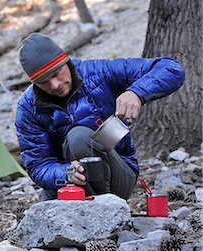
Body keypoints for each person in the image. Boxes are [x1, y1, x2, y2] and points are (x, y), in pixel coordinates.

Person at [15, 33, 185, 201]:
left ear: (65, 61)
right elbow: (38, 166)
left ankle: (103, 209)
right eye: (43, 82)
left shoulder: (99, 73)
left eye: (56, 73)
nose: (55, 85)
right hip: (69, 185)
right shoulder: (28, 108)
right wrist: (65, 173)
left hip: (119, 176)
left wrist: (136, 92)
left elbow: (171, 69)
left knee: (78, 137)